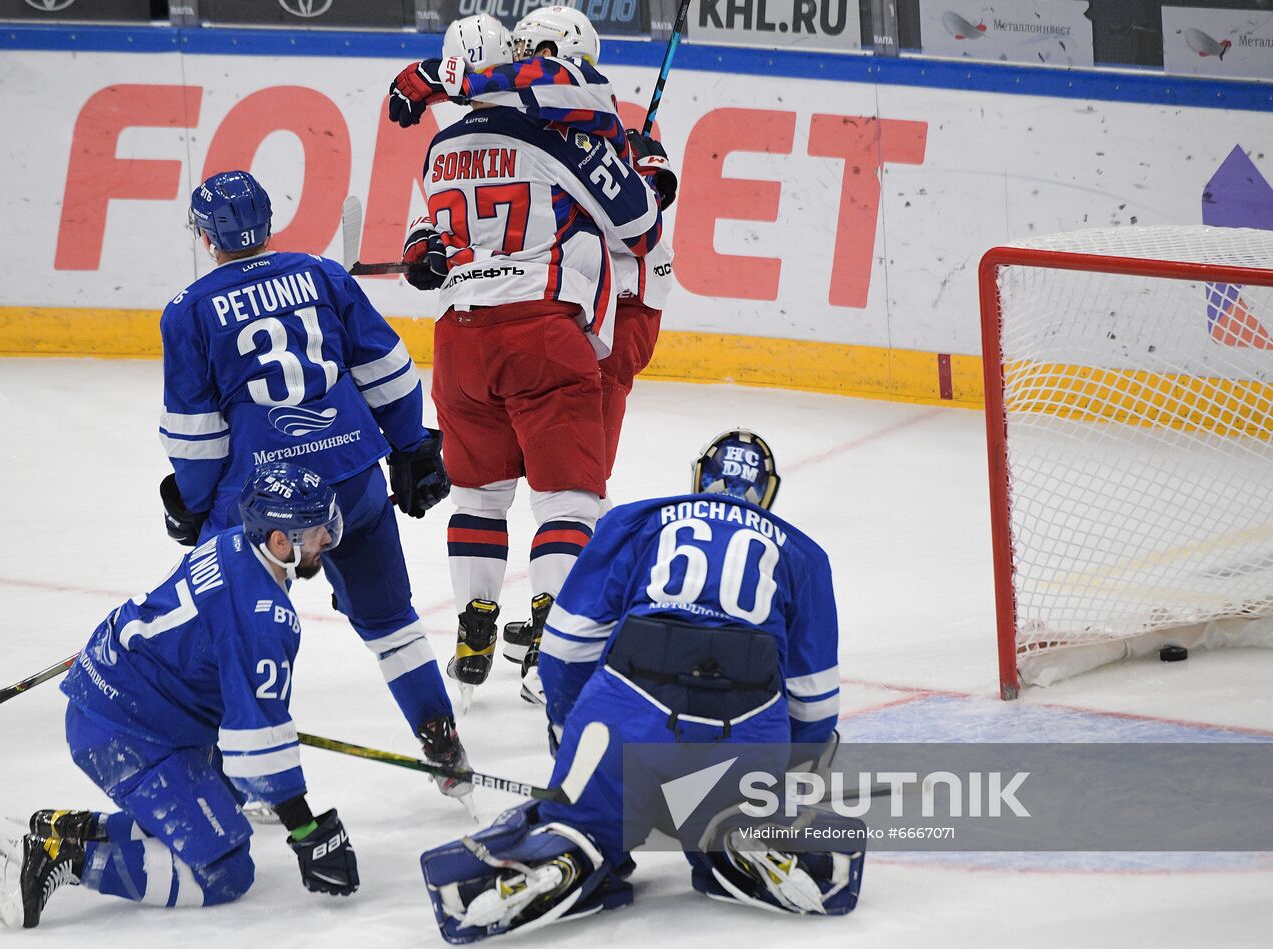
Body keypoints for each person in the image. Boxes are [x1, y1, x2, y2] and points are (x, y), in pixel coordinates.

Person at [419, 430, 863, 942]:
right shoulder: (804, 555)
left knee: (585, 818)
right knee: (734, 811)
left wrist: (570, 733)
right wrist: (782, 787)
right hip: (747, 728)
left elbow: (565, 648)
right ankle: (742, 833)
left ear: (700, 478)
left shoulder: (637, 521)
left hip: (628, 712)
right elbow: (813, 703)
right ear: (767, 493)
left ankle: (571, 844)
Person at [388, 7, 677, 698]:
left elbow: (437, 223)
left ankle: (474, 619)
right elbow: (639, 224)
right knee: (570, 495)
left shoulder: (445, 147)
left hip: (462, 339)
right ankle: (558, 638)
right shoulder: (575, 134)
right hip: (555, 327)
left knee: (481, 492)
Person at [157, 170, 468, 795]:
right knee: (392, 622)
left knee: (235, 624)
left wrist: (195, 507)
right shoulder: (323, 274)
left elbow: (196, 435)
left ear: (202, 233)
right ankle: (443, 742)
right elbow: (390, 370)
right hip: (351, 475)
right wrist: (410, 446)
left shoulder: (188, 310)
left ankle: (240, 774)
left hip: (262, 500)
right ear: (269, 221)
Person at [0, 463, 358, 929]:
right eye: (316, 529)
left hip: (128, 699)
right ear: (280, 541)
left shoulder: (229, 543)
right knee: (224, 870)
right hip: (125, 730)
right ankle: (59, 855)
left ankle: (71, 828)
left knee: (222, 810)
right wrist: (308, 830)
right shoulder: (263, 616)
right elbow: (257, 748)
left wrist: (248, 716)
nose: (327, 538)